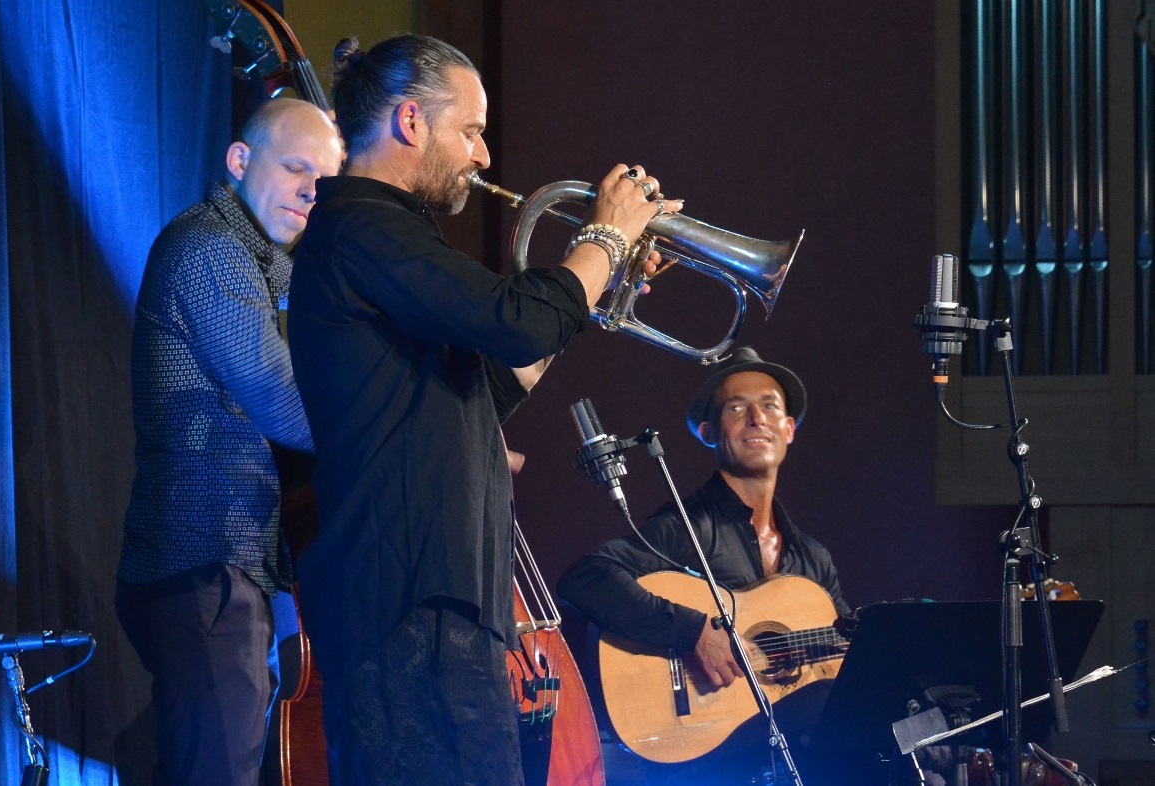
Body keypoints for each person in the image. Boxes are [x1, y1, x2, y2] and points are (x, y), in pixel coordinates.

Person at [285, 33, 682, 786]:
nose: (484, 156)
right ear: (410, 122)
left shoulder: (380, 239)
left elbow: (488, 385)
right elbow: (518, 319)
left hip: (433, 605)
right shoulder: (363, 227)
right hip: (408, 604)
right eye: (470, 130)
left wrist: (598, 291)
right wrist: (604, 235)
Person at [115, 98, 342, 786]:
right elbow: (285, 402)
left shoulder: (267, 265)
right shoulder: (212, 249)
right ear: (240, 162)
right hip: (202, 562)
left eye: (325, 181)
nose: (311, 190)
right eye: (296, 167)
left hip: (222, 569)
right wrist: (406, 444)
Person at [557, 346, 850, 785]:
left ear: (788, 429)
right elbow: (585, 578)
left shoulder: (813, 558)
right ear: (708, 432)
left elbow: (849, 645)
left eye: (770, 406)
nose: (757, 418)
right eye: (738, 407)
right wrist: (693, 631)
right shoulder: (685, 526)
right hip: (706, 751)